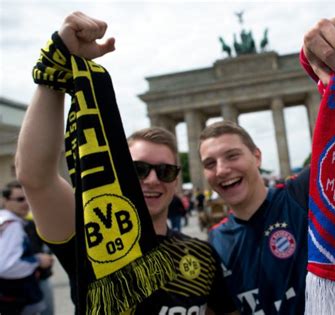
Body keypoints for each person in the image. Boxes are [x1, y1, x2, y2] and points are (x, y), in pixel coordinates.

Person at [15, 12, 236, 314]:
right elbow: (35, 178)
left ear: (176, 180)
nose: (153, 179)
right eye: (138, 169)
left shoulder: (201, 254)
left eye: (166, 171)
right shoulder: (91, 237)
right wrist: (52, 76)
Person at [199, 18, 335, 314]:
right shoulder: (214, 242)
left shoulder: (301, 196)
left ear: (257, 157)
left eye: (233, 155)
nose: (222, 168)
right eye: (210, 163)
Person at [0, 180, 54, 315]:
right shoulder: (11, 225)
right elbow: (7, 266)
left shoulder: (7, 221)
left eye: (27, 198)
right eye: (20, 199)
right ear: (5, 201)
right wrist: (38, 260)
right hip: (17, 297)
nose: (25, 203)